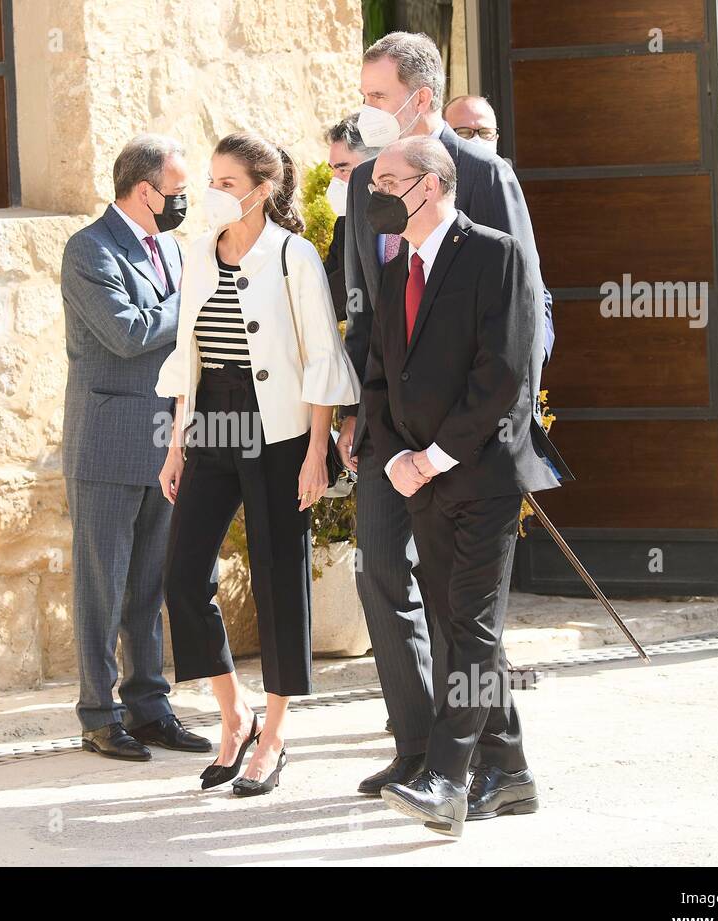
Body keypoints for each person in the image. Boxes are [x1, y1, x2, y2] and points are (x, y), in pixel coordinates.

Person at [338, 31, 555, 799]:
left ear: (421, 100)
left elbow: (529, 307)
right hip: (389, 429)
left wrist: (494, 427)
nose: (366, 114)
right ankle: (420, 749)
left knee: (465, 607)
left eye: (378, 98)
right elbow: (366, 308)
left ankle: (479, 764)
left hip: (472, 437)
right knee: (385, 577)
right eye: (362, 97)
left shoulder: (484, 175)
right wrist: (357, 419)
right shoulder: (370, 179)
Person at [156, 132, 360, 797]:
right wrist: (176, 442)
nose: (213, 194)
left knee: (279, 580)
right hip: (212, 417)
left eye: (225, 183)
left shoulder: (292, 256)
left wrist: (315, 454)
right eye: (210, 181)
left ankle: (273, 733)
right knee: (183, 574)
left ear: (262, 189)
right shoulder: (198, 254)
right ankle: (232, 711)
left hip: (280, 430)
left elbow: (323, 357)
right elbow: (187, 353)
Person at [60, 134, 211, 761]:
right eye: (175, 191)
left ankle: (149, 706)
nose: (183, 202)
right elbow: (128, 333)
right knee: (103, 583)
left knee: (150, 584)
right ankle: (99, 713)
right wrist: (196, 297)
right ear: (142, 189)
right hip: (108, 441)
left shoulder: (174, 251)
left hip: (167, 443)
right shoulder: (89, 249)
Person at [323, 116, 380, 324]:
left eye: (344, 169)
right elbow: (334, 287)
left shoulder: (401, 224)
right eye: (333, 170)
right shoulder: (345, 223)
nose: (335, 180)